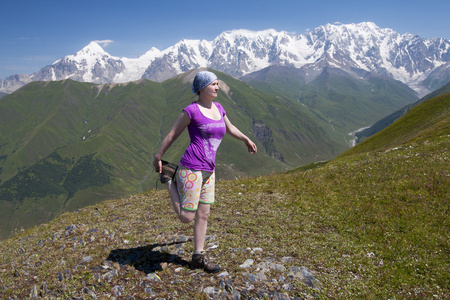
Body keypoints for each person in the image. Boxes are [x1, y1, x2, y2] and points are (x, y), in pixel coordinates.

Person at [153, 70, 257, 273]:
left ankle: (198, 257)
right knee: (186, 217)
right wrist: (158, 156)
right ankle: (168, 179)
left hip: (209, 170)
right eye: (213, 84)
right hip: (191, 168)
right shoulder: (191, 111)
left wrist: (246, 139)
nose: (217, 87)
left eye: (217, 84)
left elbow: (230, 127)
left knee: (204, 214)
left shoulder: (219, 108)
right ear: (201, 88)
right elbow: (173, 134)